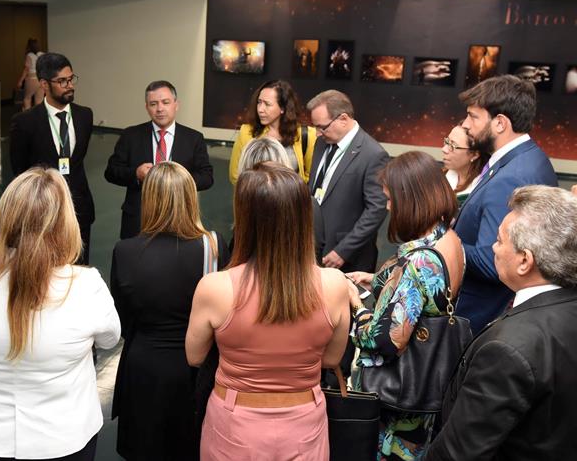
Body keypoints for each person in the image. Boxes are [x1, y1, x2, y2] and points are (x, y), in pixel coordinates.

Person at [186, 162, 350, 460]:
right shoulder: (334, 285)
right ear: (303, 217)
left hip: (235, 423)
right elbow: (330, 359)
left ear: (245, 219)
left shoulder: (215, 288)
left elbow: (195, 357)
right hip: (304, 423)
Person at [0, 167, 120, 461]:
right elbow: (110, 340)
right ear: (65, 224)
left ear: (5, 217)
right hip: (66, 438)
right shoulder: (86, 286)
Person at [426, 185, 577, 461]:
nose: (493, 249)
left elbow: (458, 453)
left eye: (498, 240)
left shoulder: (506, 350)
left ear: (524, 261)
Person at [346, 151, 463, 461]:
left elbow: (387, 340)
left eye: (390, 199)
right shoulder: (449, 238)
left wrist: (357, 307)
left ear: (410, 199)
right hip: (426, 391)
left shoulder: (418, 260)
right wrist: (378, 281)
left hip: (399, 401)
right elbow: (430, 296)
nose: (387, 207)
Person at [111, 162, 229, 460]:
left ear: (148, 199)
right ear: (191, 198)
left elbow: (122, 320)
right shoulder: (213, 247)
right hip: (197, 370)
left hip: (144, 369)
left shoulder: (125, 251)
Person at [453, 74, 557, 333]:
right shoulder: (525, 158)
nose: (466, 124)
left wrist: (442, 242)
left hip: (479, 317)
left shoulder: (512, 176)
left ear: (500, 123)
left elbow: (492, 261)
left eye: (473, 116)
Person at [10, 52, 95, 264]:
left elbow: (77, 162)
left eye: (71, 79)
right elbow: (20, 171)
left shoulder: (85, 115)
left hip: (80, 209)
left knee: (79, 268)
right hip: (43, 213)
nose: (70, 86)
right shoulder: (25, 122)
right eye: (62, 81)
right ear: (44, 84)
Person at [104, 80, 214, 239]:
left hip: (180, 217)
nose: (160, 108)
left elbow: (207, 177)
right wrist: (136, 174)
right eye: (153, 104)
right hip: (139, 218)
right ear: (146, 107)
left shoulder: (193, 138)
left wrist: (178, 181)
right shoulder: (131, 135)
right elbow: (111, 172)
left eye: (165, 102)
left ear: (176, 104)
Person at [307, 89, 389, 272]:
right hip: (311, 246)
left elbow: (376, 210)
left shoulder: (373, 154)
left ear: (343, 119)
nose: (318, 133)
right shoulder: (321, 143)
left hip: (344, 256)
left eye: (322, 127)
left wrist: (343, 251)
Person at [228, 80, 315, 185]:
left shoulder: (306, 135)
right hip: (255, 194)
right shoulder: (246, 132)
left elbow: (311, 176)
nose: (260, 109)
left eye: (267, 104)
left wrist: (288, 189)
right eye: (259, 102)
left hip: (291, 194)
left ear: (283, 108)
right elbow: (235, 175)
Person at [441, 123, 488, 206]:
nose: (444, 149)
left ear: (474, 155)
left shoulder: (481, 191)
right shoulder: (440, 176)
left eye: (453, 145)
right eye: (447, 141)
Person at [16, 38, 45, 111]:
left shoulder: (29, 55)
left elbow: (26, 69)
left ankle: (27, 116)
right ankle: (39, 117)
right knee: (39, 101)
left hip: (32, 79)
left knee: (27, 99)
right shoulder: (42, 54)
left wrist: (20, 81)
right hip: (41, 79)